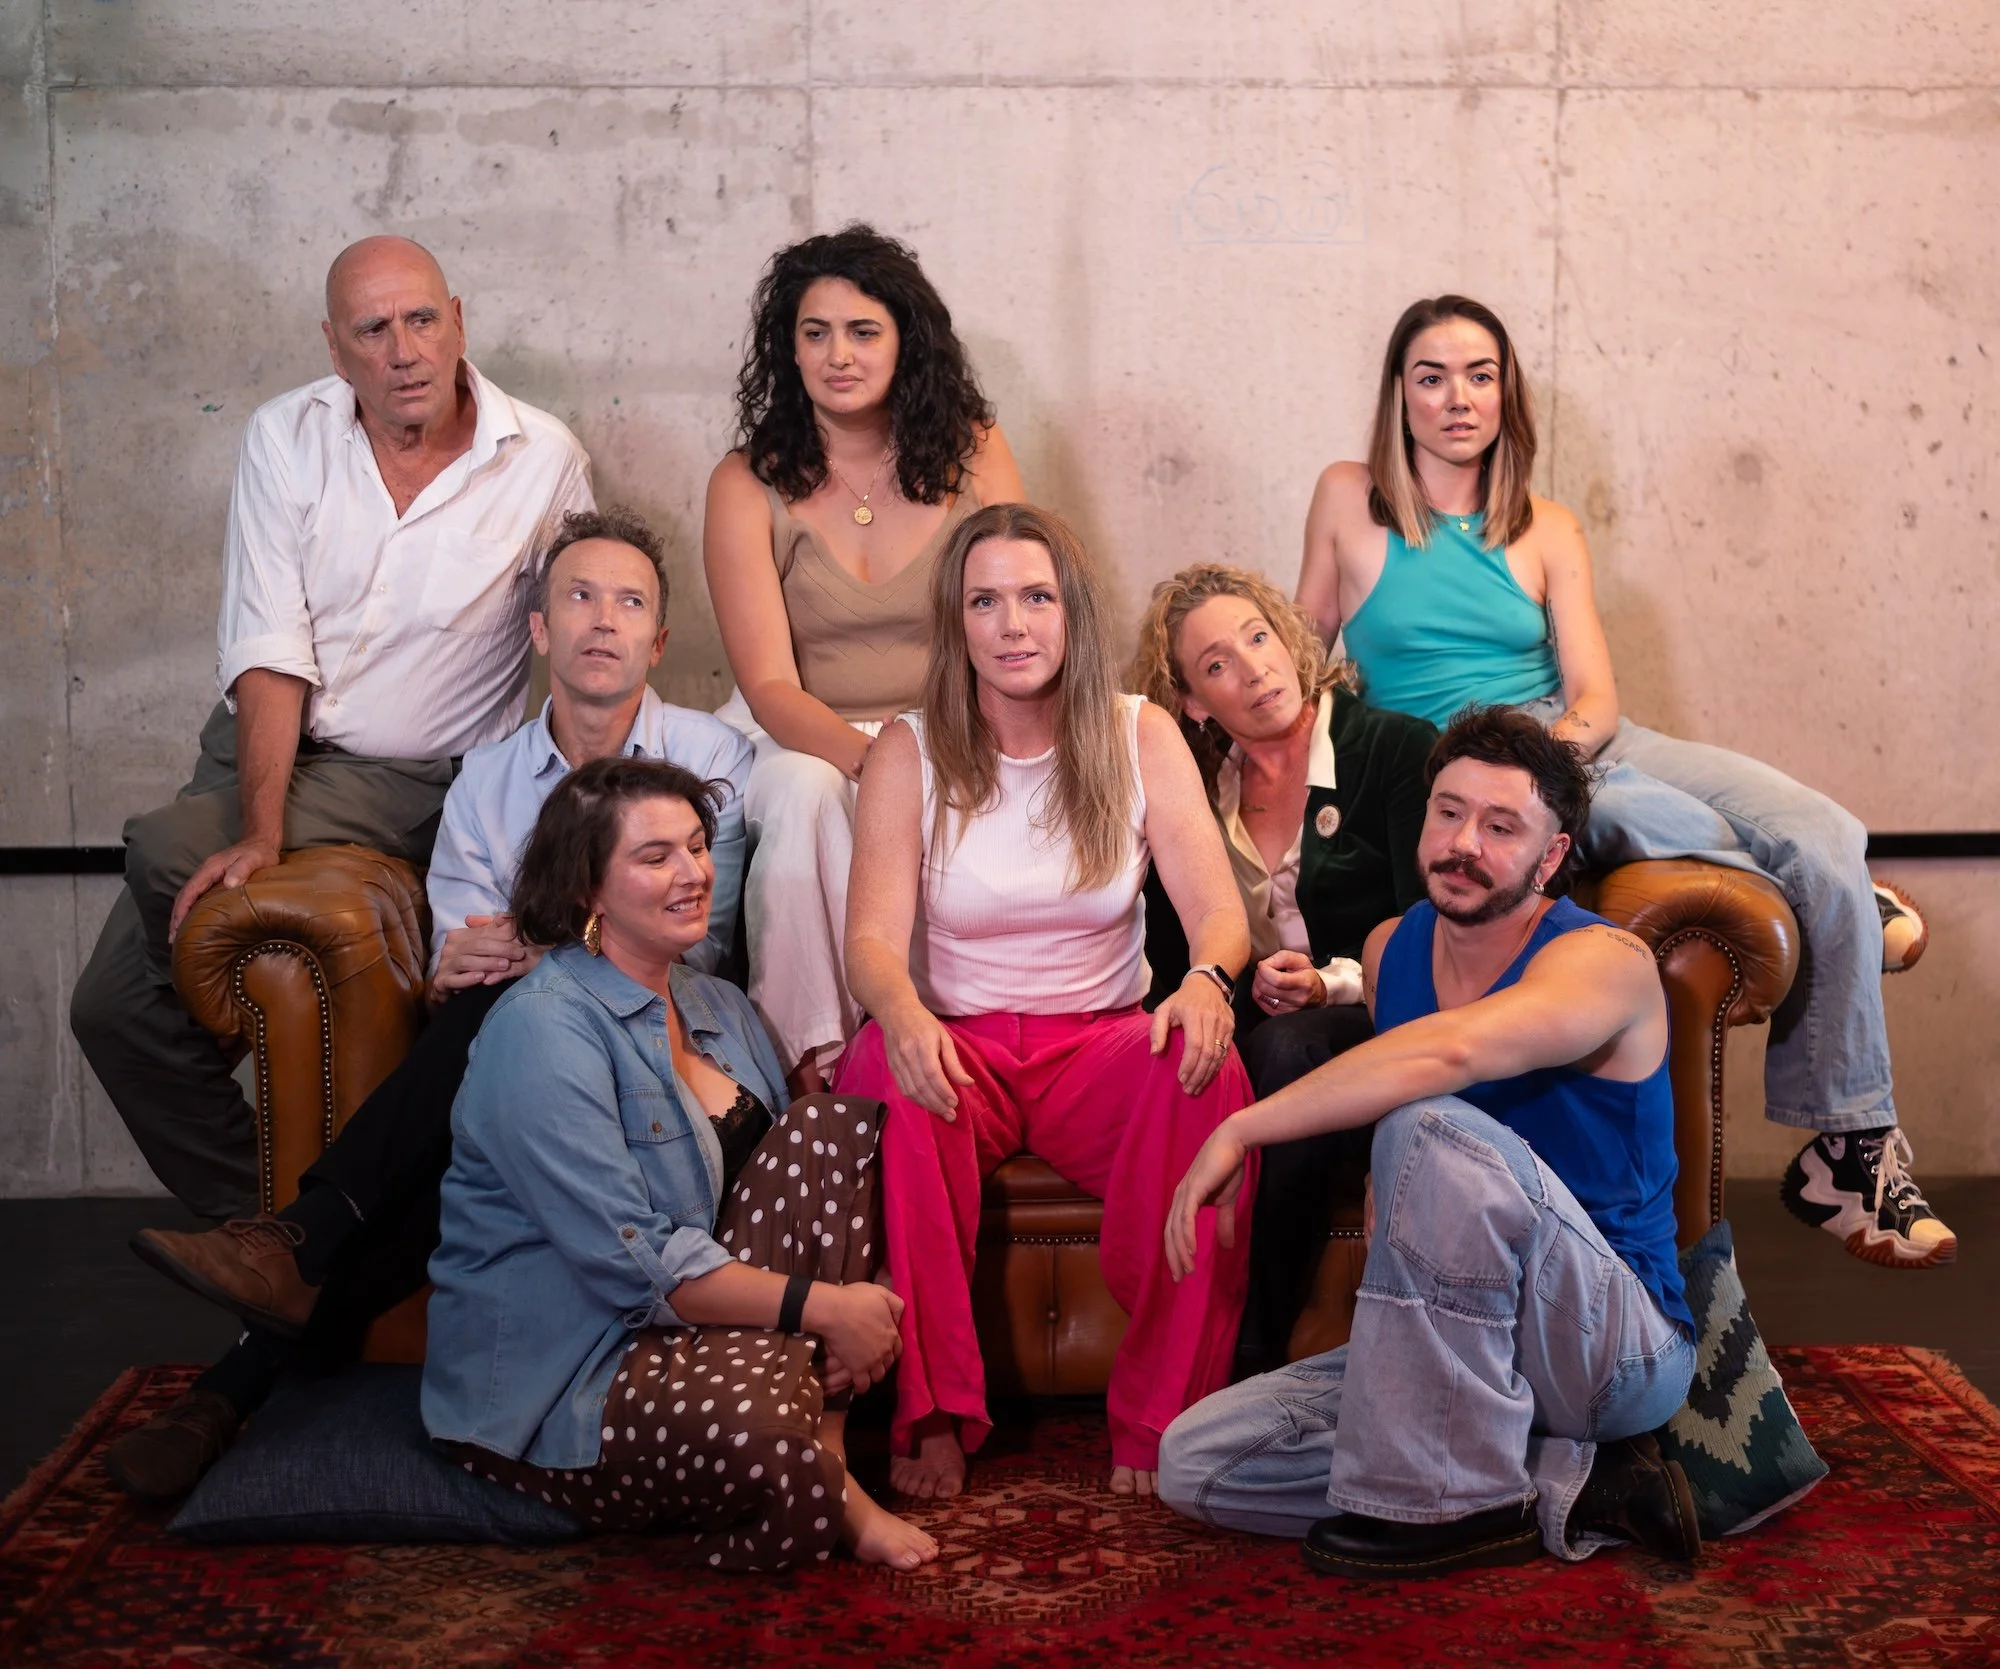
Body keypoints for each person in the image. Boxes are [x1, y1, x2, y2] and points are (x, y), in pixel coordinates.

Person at [104, 510, 752, 1501]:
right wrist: (506, 955)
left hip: (653, 1040)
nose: (602, 621)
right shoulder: (487, 780)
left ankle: (278, 1293)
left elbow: (695, 942)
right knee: (495, 1043)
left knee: (505, 1029)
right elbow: (464, 960)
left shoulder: (718, 759)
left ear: (658, 641)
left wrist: (536, 947)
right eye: (578, 597)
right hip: (516, 1049)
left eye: (629, 603)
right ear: (538, 629)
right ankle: (240, 1370)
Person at [1294, 294, 1953, 1269]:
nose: (1456, 398)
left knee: (1821, 826)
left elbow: (1594, 696)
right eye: (1430, 377)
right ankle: (1854, 1132)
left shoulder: (1545, 524)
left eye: (1478, 375)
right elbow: (1302, 659)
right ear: (1399, 394)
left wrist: (1555, 761)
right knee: (1665, 818)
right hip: (1477, 775)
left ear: (1504, 392)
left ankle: (1839, 1115)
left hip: (1581, 745)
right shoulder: (1349, 498)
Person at [70, 235, 594, 1222]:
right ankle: (287, 1239)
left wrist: (562, 831)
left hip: (410, 774)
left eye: (421, 319)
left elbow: (577, 639)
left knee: (161, 847)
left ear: (459, 321)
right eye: (372, 329)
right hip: (261, 745)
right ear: (335, 346)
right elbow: (269, 648)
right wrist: (261, 832)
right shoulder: (283, 436)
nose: (402, 349)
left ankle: (310, 1249)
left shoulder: (544, 459)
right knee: (109, 1014)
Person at [1158, 707, 1701, 1577]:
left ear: (1551, 855)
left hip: (1613, 1345)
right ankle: (1568, 1484)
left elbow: (1455, 1050)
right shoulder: (1388, 951)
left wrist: (1243, 1124)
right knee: (1195, 1461)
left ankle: (1456, 1502)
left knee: (1431, 1119)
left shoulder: (1605, 963)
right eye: (1448, 812)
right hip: (1461, 1342)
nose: (1463, 843)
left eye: (1501, 826)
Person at [836, 503, 1256, 1503]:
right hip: (956, 1045)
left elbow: (1218, 917)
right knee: (891, 1079)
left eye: (1035, 597)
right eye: (985, 601)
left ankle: (1162, 1418)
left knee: (1211, 1077)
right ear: (957, 621)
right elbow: (869, 941)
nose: (1012, 624)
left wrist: (1204, 982)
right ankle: (931, 1412)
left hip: (1094, 1046)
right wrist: (898, 1015)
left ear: (1071, 613)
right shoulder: (906, 747)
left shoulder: (1136, 731)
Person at [422, 756, 935, 1570]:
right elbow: (641, 1269)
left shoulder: (718, 1005)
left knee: (831, 1126)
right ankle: (809, 1465)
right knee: (773, 1458)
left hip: (694, 1330)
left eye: (697, 847)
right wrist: (826, 1308)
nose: (692, 873)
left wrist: (826, 1304)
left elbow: (784, 1189)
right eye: (654, 856)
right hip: (572, 1374)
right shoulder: (543, 1030)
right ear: (588, 887)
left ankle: (826, 1448)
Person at [704, 224, 1025, 1092]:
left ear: (905, 342)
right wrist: (874, 758)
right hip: (808, 733)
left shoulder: (974, 450)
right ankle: (821, 1068)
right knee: (808, 796)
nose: (838, 355)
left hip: (959, 724)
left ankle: (952, 1040)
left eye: (863, 331)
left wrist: (933, 748)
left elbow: (1023, 615)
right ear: (789, 349)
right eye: (815, 333)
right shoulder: (747, 481)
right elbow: (768, 683)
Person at [1129, 563, 1437, 1370]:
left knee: (1289, 1047)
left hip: (1376, 1021)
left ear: (1291, 638)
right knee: (1193, 1054)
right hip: (1255, 1026)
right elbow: (1172, 955)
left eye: (1258, 637)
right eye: (1217, 663)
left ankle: (1251, 1347)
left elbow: (1430, 938)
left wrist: (1328, 982)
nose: (1254, 667)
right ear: (1194, 702)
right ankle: (1168, 1346)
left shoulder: (1393, 748)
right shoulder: (1193, 789)